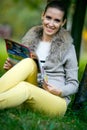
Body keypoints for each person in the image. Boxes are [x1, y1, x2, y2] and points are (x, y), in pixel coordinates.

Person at [0, 0, 78, 117]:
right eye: (48, 18)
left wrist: (60, 91)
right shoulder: (29, 40)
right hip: (33, 90)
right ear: (43, 16)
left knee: (25, 88)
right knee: (28, 62)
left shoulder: (68, 47)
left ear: (63, 22)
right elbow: (29, 72)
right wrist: (14, 67)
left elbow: (74, 84)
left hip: (56, 101)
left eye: (57, 20)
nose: (51, 24)